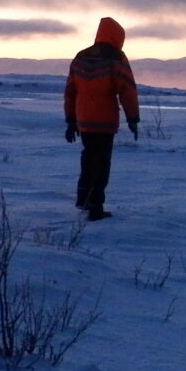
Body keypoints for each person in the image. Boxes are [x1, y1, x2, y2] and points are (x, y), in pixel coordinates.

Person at [63, 16, 141, 220]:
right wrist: (133, 118)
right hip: (105, 121)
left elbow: (70, 92)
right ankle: (95, 206)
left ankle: (84, 199)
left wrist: (71, 121)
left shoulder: (80, 57)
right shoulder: (116, 58)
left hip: (84, 120)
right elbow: (127, 90)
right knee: (102, 162)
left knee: (88, 158)